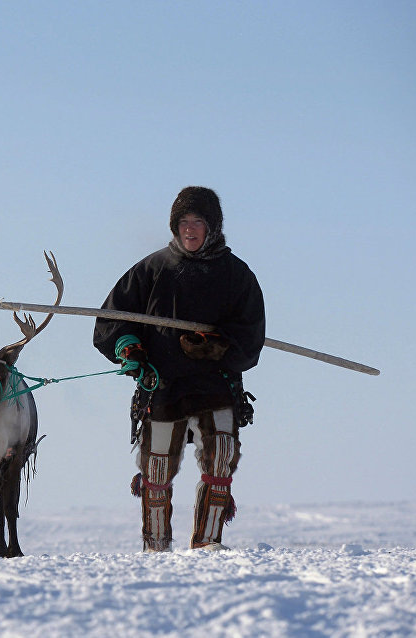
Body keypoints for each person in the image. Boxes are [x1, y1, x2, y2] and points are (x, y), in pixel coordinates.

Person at [92, 186, 265, 552]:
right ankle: (155, 548)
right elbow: (112, 322)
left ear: (213, 227)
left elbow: (251, 336)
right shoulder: (151, 269)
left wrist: (219, 346)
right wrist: (130, 348)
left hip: (216, 384)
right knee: (155, 469)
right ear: (174, 226)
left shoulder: (237, 275)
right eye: (183, 222)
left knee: (220, 456)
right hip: (163, 383)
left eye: (197, 222)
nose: (189, 230)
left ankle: (208, 545)